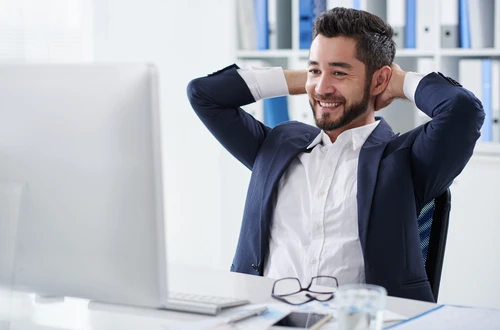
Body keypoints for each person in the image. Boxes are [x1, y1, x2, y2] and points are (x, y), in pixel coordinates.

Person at [186, 7, 484, 302]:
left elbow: (462, 110)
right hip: (264, 318)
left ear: (378, 80)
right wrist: (311, 77)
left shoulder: (403, 160)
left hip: (358, 324)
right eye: (315, 70)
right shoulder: (277, 145)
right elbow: (204, 94)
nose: (322, 88)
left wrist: (398, 80)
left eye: (340, 72)